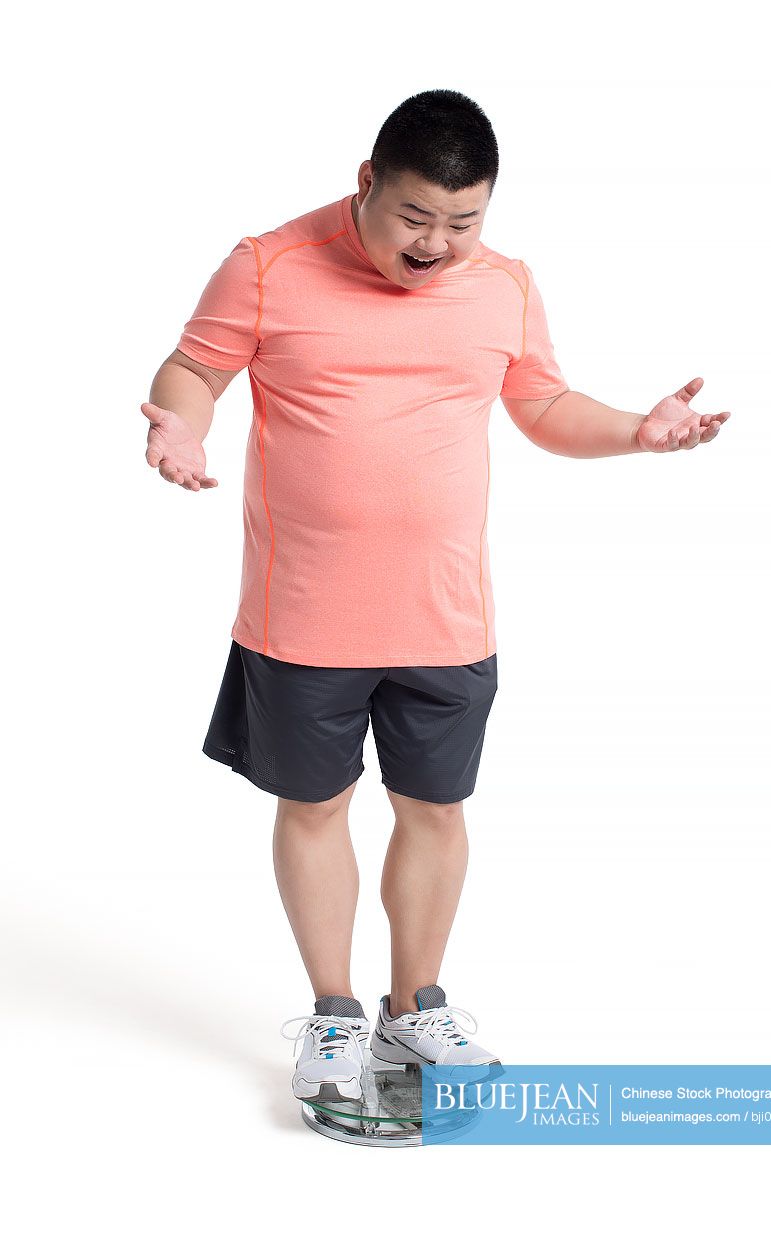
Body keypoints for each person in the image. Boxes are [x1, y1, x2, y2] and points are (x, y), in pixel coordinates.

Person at [142, 89, 730, 1107]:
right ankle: (332, 1014)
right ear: (366, 182)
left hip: (445, 615)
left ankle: (415, 1009)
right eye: (416, 216)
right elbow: (195, 364)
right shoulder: (269, 264)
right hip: (303, 613)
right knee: (316, 804)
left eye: (463, 222)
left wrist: (639, 428)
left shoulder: (502, 284)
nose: (437, 244)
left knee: (436, 808)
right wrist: (180, 425)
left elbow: (543, 404)